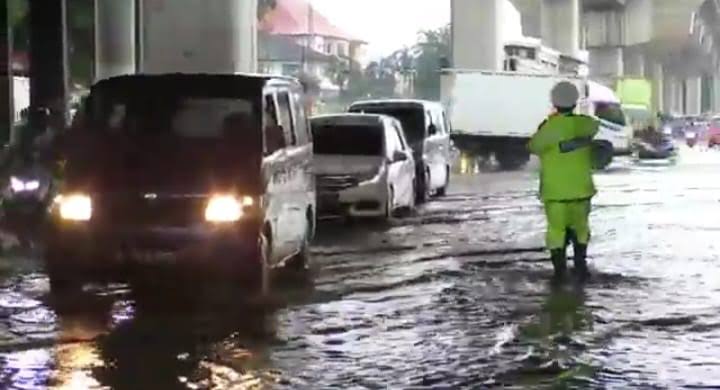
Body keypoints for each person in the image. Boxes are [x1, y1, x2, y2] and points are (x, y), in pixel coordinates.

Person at [528, 81, 600, 281]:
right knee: (581, 227)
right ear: (575, 101)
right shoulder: (586, 124)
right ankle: (580, 266)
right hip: (582, 190)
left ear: (554, 102)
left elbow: (533, 146)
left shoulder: (549, 129)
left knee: (556, 230)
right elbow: (594, 125)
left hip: (555, 193)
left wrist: (546, 125)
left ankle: (560, 272)